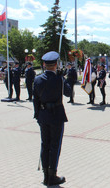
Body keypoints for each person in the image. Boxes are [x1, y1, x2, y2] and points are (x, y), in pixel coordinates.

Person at [33, 51, 72, 186]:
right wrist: (63, 78)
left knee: (45, 145)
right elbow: (68, 93)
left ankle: (45, 176)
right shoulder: (59, 79)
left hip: (43, 116)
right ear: (56, 65)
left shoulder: (37, 79)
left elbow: (35, 100)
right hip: (56, 116)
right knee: (55, 146)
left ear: (44, 64)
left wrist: (38, 115)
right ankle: (52, 175)